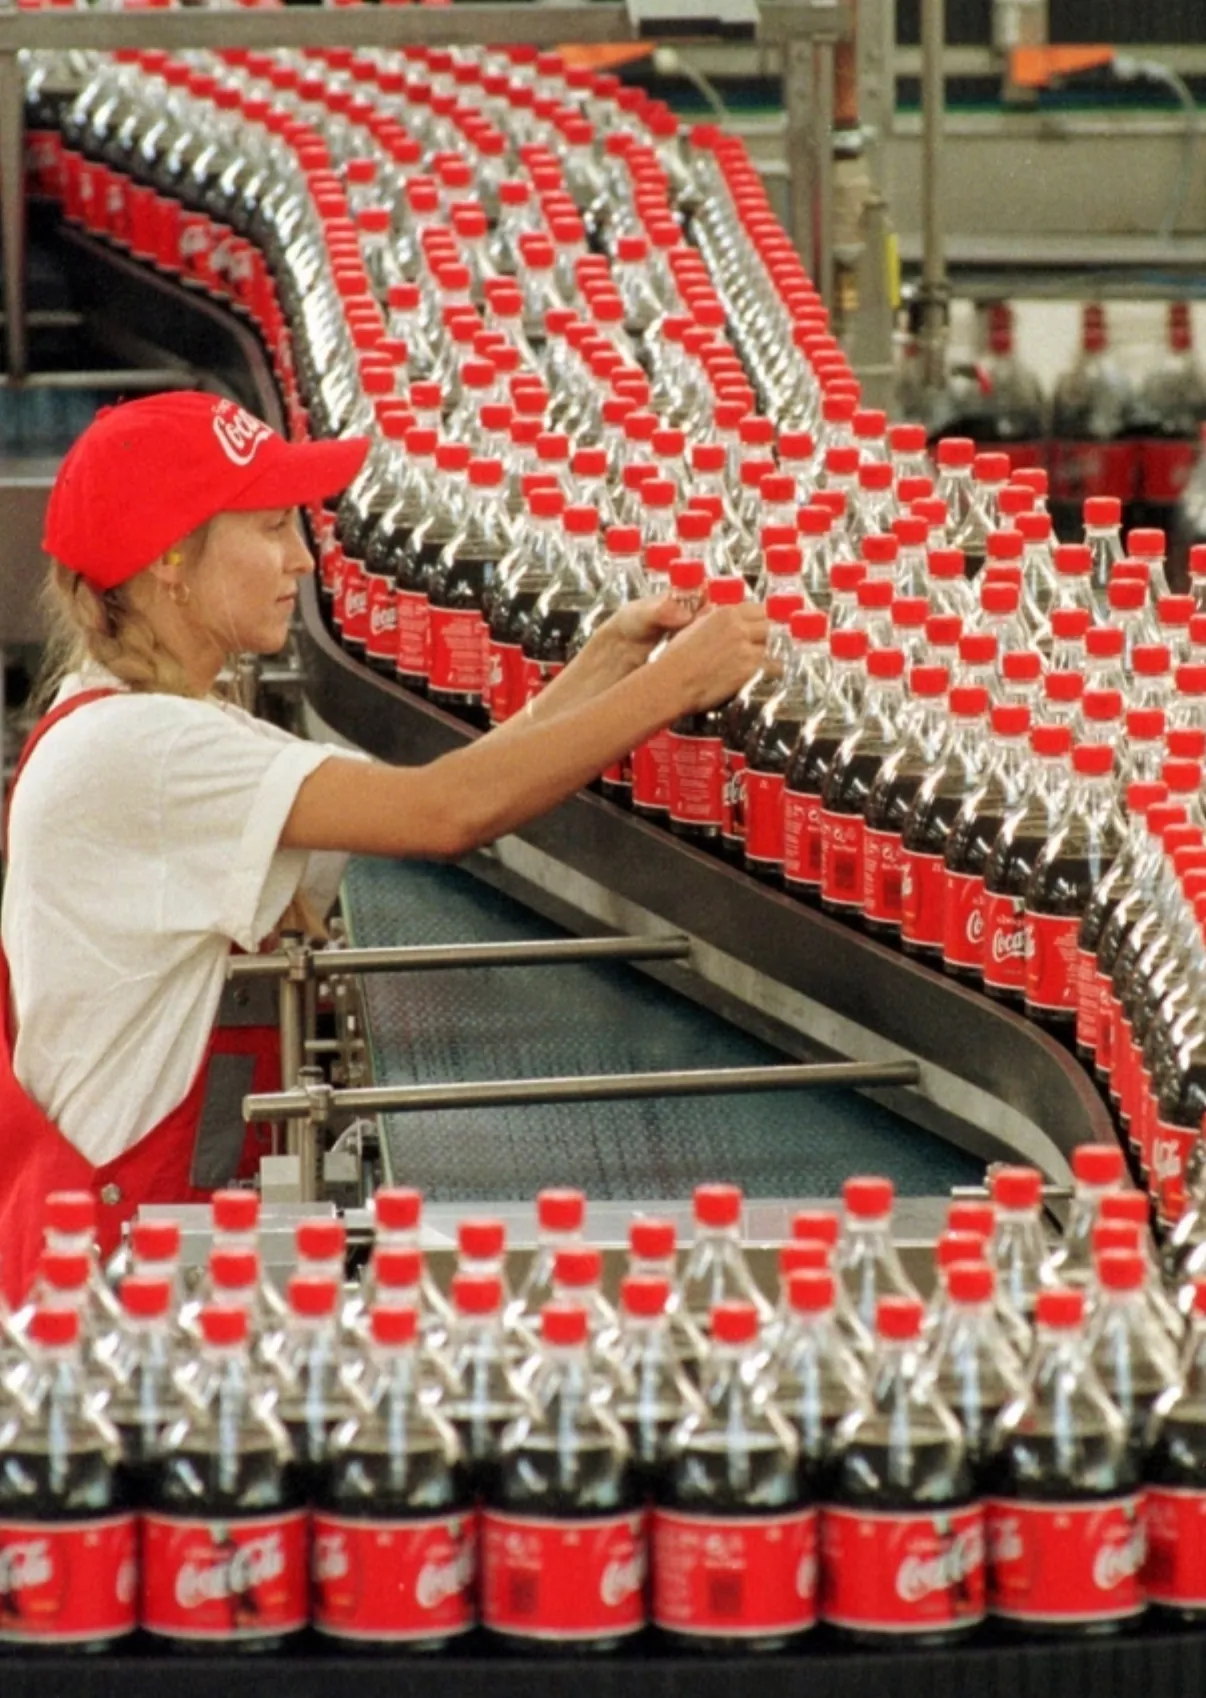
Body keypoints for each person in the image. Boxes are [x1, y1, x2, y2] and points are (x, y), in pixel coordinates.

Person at [0, 390, 767, 1301]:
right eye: (272, 528)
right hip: (106, 1279)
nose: (299, 560)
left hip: (138, 1242)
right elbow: (442, 815)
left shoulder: (159, 722)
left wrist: (604, 667)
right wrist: (673, 689)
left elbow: (439, 791)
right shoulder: (143, 751)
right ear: (171, 558)